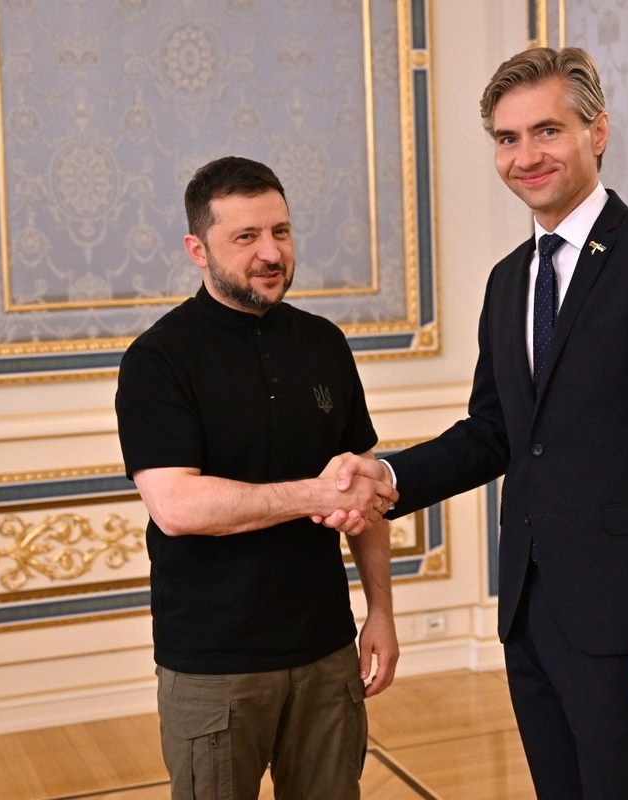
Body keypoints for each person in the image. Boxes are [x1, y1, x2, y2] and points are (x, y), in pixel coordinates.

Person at [327, 47, 628, 798]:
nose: (526, 156)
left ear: (597, 132)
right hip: (528, 612)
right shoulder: (509, 280)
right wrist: (386, 475)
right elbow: (494, 430)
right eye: (507, 138)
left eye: (547, 131)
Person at [115, 156, 400, 800]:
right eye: (245, 237)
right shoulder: (158, 359)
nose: (271, 253)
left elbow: (364, 493)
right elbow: (177, 506)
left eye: (281, 231)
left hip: (327, 652)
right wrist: (316, 493)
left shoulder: (325, 343)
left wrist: (380, 612)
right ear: (198, 250)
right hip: (213, 667)